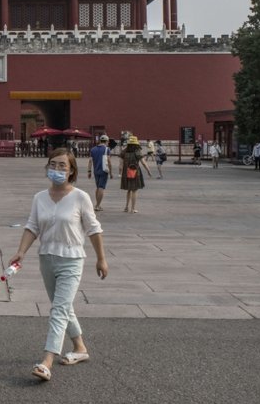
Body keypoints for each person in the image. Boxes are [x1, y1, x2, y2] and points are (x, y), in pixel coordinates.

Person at [8, 148, 108, 382]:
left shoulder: (80, 197)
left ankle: (47, 361)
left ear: (71, 170)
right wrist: (21, 252)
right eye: (53, 164)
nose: (57, 169)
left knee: (59, 310)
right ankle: (80, 348)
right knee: (62, 306)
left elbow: (94, 229)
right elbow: (32, 226)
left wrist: (101, 258)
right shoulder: (39, 197)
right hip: (47, 259)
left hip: (72, 260)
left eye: (63, 165)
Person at [119, 136, 152, 213]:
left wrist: (120, 172)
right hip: (135, 172)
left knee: (129, 190)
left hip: (126, 172)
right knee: (134, 190)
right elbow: (143, 163)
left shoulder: (124, 151)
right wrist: (148, 171)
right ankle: (133, 208)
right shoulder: (137, 151)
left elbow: (120, 164)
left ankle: (126, 207)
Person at [86, 134, 112, 211]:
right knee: (101, 188)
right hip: (104, 171)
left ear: (100, 141)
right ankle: (97, 205)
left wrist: (89, 171)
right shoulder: (107, 149)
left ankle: (97, 204)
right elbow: (109, 161)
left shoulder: (93, 149)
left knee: (98, 187)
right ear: (107, 141)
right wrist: (111, 172)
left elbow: (90, 161)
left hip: (96, 171)